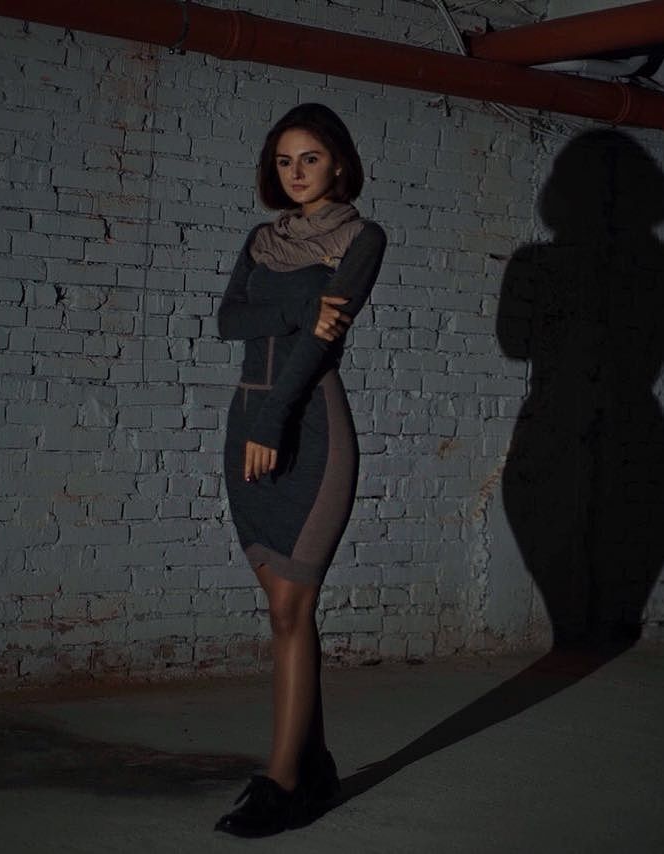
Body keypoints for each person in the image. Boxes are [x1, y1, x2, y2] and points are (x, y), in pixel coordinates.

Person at [212, 103, 386, 838]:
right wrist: (300, 305)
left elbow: (320, 349)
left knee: (291, 608)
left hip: (307, 420)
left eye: (309, 159)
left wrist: (275, 417)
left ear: (339, 162)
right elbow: (228, 322)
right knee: (280, 607)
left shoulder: (362, 238)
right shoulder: (263, 240)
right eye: (284, 161)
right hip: (244, 423)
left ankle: (281, 782)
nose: (296, 174)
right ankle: (312, 767)